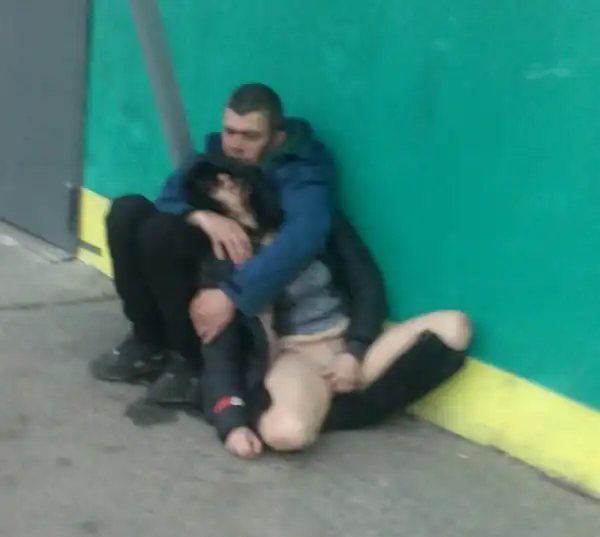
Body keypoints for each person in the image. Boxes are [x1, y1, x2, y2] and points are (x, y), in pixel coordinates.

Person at [127, 156, 472, 460]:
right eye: (213, 185)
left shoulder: (305, 223)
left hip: (352, 341)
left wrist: (353, 351)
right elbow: (219, 350)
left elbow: (366, 283)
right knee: (286, 434)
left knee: (454, 328)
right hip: (298, 357)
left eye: (229, 175)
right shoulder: (221, 262)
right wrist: (232, 424)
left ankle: (334, 399)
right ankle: (340, 405)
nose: (226, 184)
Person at [90, 83, 335, 383]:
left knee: (161, 233)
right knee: (127, 211)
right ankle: (148, 344)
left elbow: (302, 239)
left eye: (250, 136)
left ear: (277, 139)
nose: (235, 145)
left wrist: (234, 293)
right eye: (230, 132)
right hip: (209, 259)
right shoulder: (216, 154)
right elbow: (168, 197)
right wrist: (200, 216)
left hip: (244, 274)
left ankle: (191, 363)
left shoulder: (301, 172)